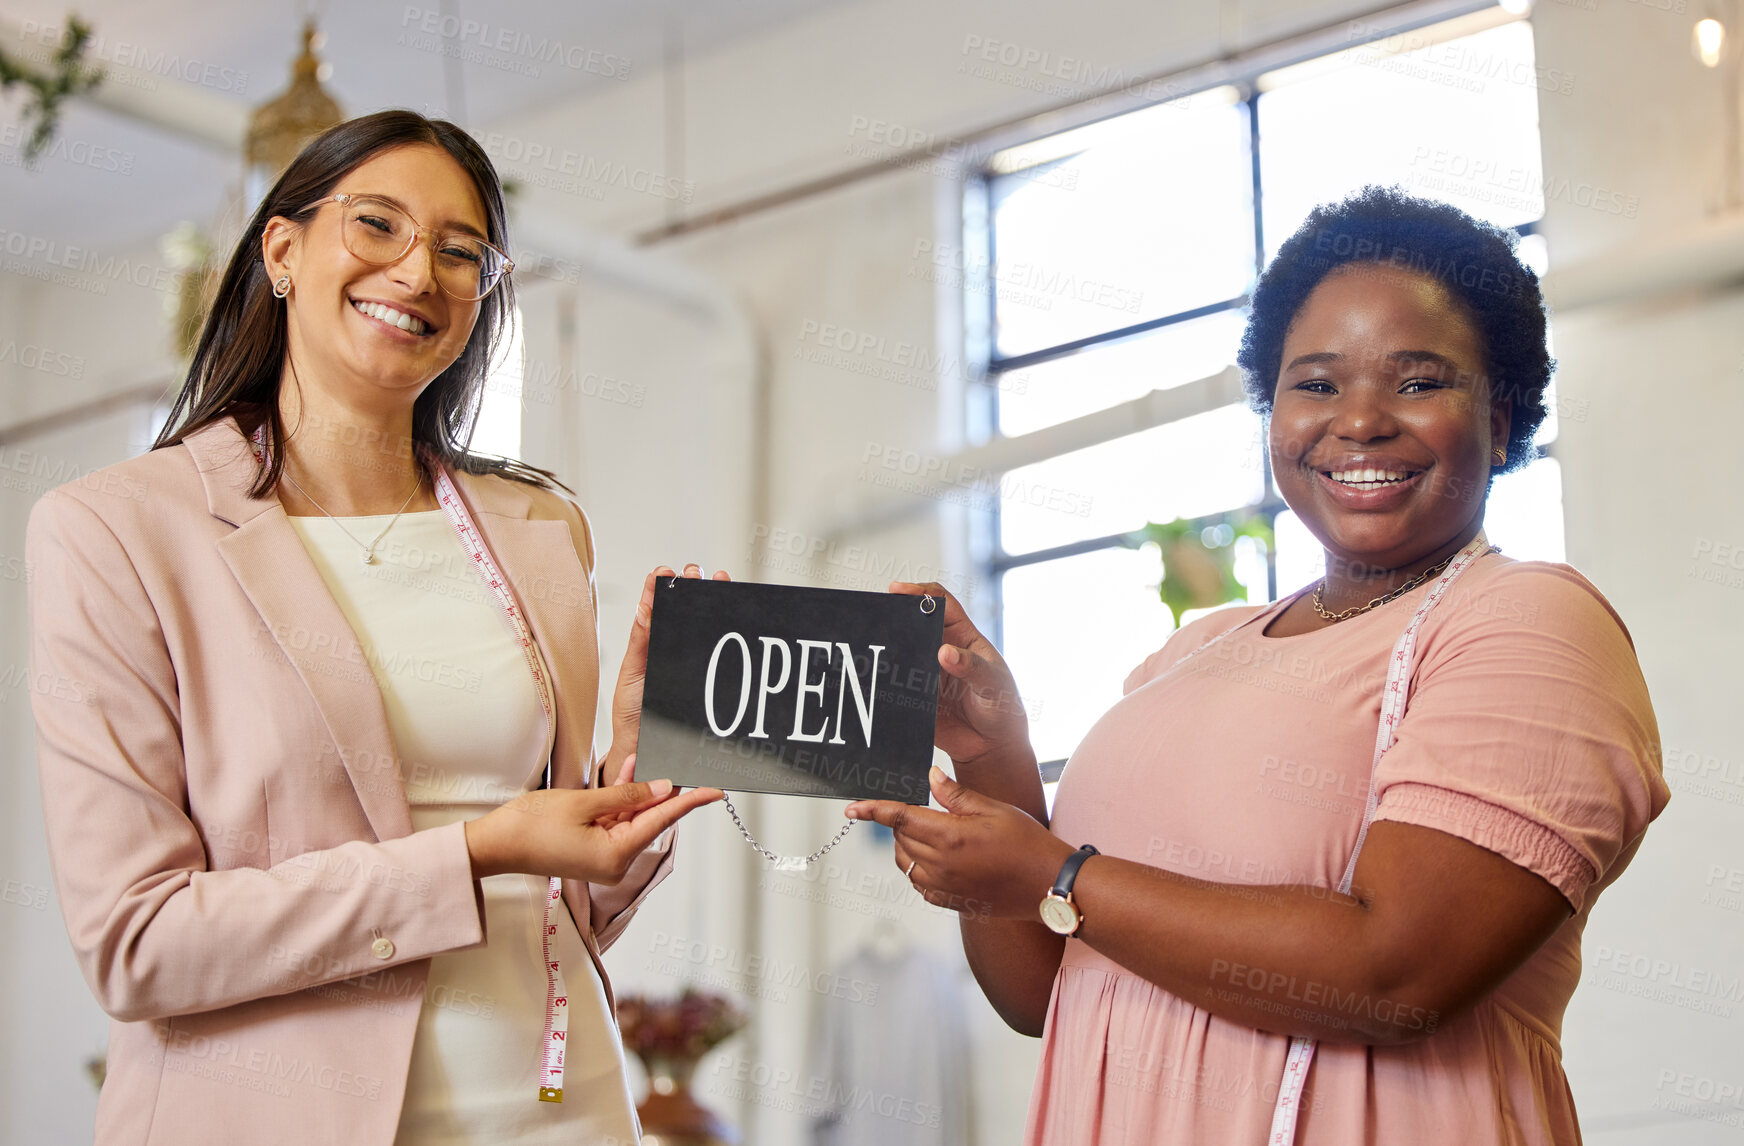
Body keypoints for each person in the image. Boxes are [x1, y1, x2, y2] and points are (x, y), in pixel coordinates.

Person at [846, 186, 1669, 1144]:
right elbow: (1042, 992)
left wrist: (1060, 872)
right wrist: (995, 753)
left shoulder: (1527, 619)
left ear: (1502, 413)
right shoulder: (1194, 651)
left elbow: (1396, 975)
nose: (1359, 422)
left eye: (1417, 382)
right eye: (1316, 384)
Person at [26, 109, 725, 1146]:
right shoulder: (116, 531)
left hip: (557, 1106)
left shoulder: (538, 530)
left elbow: (565, 912)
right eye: (378, 226)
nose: (418, 272)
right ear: (282, 249)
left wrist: (631, 777)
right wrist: (473, 854)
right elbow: (139, 943)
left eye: (460, 253)